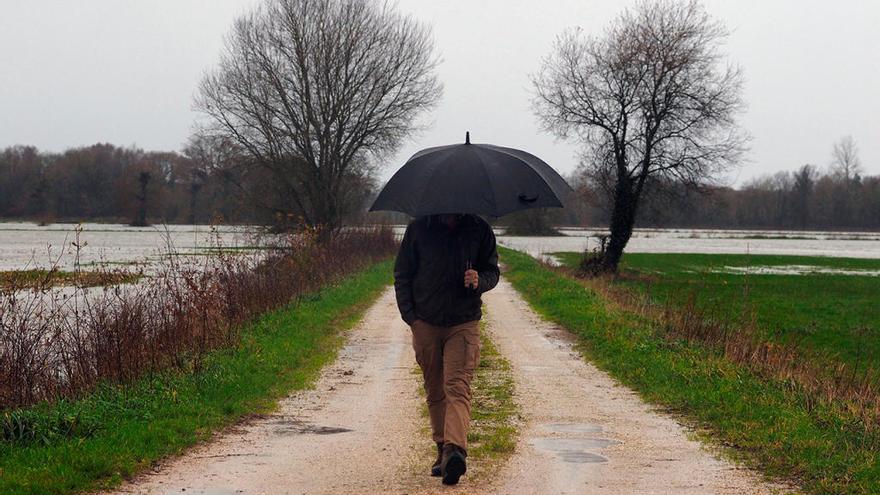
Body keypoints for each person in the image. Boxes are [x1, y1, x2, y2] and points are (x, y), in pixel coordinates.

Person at [393, 213, 500, 486]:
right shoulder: (418, 229)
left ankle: (455, 451)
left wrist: (479, 280)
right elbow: (402, 275)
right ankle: (442, 449)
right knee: (435, 389)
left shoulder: (479, 229)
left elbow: (492, 271)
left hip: (463, 322)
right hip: (425, 322)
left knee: (458, 386)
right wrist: (412, 319)